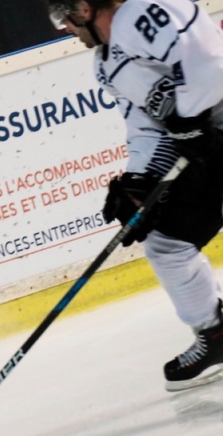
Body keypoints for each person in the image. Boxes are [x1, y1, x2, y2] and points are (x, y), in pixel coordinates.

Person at [47, 0, 223, 391]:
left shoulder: (144, 10)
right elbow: (148, 128)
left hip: (213, 135)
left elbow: (209, 64)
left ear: (84, 7)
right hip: (209, 146)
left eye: (65, 17)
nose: (66, 28)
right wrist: (138, 184)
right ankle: (214, 336)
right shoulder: (106, 63)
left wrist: (191, 120)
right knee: (168, 245)